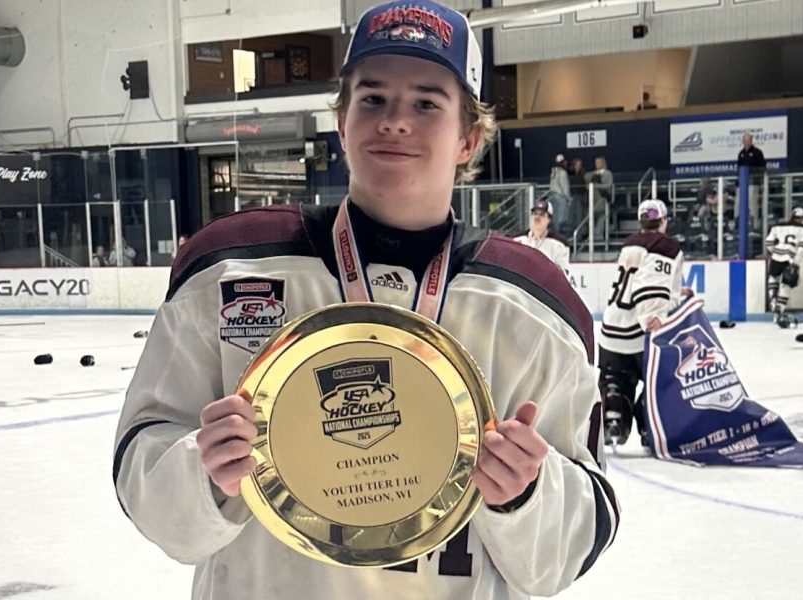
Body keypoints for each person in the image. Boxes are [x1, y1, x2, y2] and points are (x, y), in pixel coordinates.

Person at [113, 2, 617, 599]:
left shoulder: (535, 308)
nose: (395, 121)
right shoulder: (229, 269)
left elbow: (571, 547)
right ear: (341, 120)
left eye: (427, 103)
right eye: (373, 98)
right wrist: (201, 472)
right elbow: (143, 467)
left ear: (468, 138)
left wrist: (528, 493)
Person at [599, 199, 692, 448]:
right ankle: (649, 423)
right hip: (639, 332)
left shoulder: (631, 243)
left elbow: (636, 280)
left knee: (616, 379)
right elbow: (650, 285)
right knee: (667, 377)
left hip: (611, 329)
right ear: (664, 221)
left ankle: (614, 415)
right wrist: (655, 314)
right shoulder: (664, 245)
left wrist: (676, 292)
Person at [765, 207, 803, 326]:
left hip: (776, 256)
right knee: (787, 284)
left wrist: (774, 252)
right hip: (790, 258)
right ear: (802, 218)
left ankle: (773, 299)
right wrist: (796, 263)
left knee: (773, 278)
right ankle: (779, 309)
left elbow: (768, 242)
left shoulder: (778, 226)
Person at [513, 199, 570, 273]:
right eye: (535, 213)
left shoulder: (558, 245)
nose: (537, 217)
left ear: (549, 219)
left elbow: (563, 273)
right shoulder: (518, 241)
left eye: (542, 214)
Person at [548, 154, 571, 232]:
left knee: (555, 217)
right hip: (560, 197)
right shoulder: (562, 172)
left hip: (553, 195)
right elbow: (565, 187)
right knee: (561, 218)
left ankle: (555, 232)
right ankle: (559, 234)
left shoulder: (553, 172)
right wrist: (569, 199)